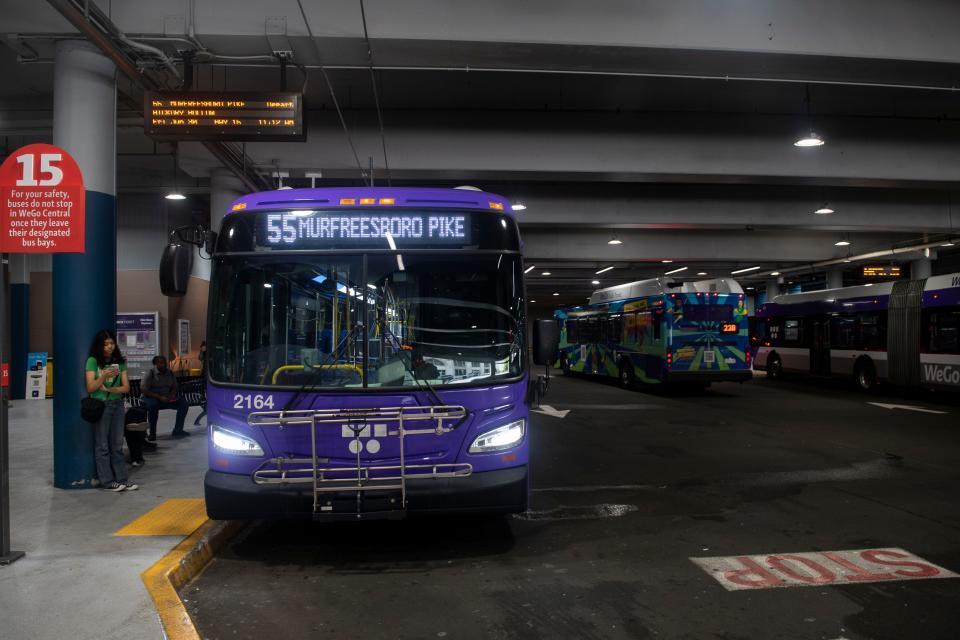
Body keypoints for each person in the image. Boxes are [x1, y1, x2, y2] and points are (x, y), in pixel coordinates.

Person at [85, 330, 138, 492]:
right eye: (106, 344)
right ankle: (107, 481)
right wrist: (102, 376)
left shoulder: (120, 362)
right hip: (102, 404)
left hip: (117, 404)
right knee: (102, 445)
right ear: (99, 346)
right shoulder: (93, 361)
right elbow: (91, 387)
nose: (109, 347)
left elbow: (126, 387)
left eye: (112, 344)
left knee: (117, 444)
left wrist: (110, 388)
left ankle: (122, 479)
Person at [141, 355, 190, 439]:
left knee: (183, 403)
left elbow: (175, 387)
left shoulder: (170, 373)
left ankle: (178, 430)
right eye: (160, 363)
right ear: (155, 364)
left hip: (166, 398)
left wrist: (171, 395)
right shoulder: (150, 373)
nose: (163, 365)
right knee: (153, 406)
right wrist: (159, 397)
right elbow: (144, 389)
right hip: (151, 397)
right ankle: (152, 433)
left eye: (164, 363)